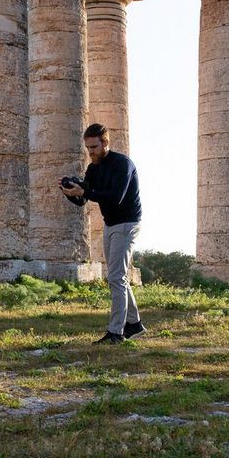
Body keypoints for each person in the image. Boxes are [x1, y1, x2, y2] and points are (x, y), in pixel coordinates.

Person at [59, 123, 145, 345]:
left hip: (127, 224)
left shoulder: (122, 164)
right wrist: (71, 192)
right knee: (119, 276)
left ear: (105, 142)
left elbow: (114, 197)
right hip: (111, 224)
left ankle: (116, 332)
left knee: (116, 277)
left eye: (94, 147)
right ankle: (134, 324)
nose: (91, 152)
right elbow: (84, 200)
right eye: (88, 148)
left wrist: (85, 191)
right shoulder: (93, 168)